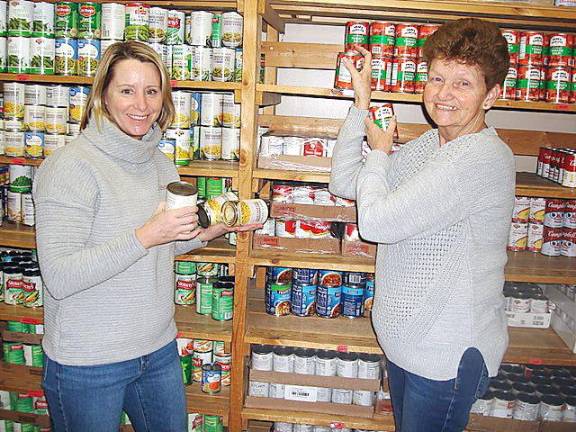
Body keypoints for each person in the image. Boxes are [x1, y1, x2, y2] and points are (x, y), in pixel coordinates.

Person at [33, 41, 257, 432]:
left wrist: (216, 228)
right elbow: (60, 276)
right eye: (127, 90)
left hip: (157, 351)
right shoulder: (70, 168)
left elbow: (166, 242)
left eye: (151, 91)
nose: (141, 104)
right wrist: (146, 235)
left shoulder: (158, 160)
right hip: (89, 362)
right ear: (103, 94)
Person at [329, 19, 515, 432]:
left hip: (445, 356)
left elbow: (375, 222)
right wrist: (361, 103)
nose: (444, 93)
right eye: (437, 78)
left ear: (491, 96)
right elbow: (345, 182)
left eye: (464, 83)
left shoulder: (480, 159)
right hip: (407, 344)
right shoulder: (433, 146)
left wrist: (378, 154)